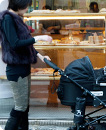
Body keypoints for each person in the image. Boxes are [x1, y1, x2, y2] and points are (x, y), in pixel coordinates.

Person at [0, 0, 52, 129]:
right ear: (19, 4)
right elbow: (15, 44)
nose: (27, 8)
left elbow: (26, 44)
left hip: (23, 67)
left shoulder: (16, 18)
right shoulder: (8, 19)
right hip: (16, 69)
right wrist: (39, 38)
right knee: (20, 107)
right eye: (26, 5)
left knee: (24, 107)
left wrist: (41, 56)